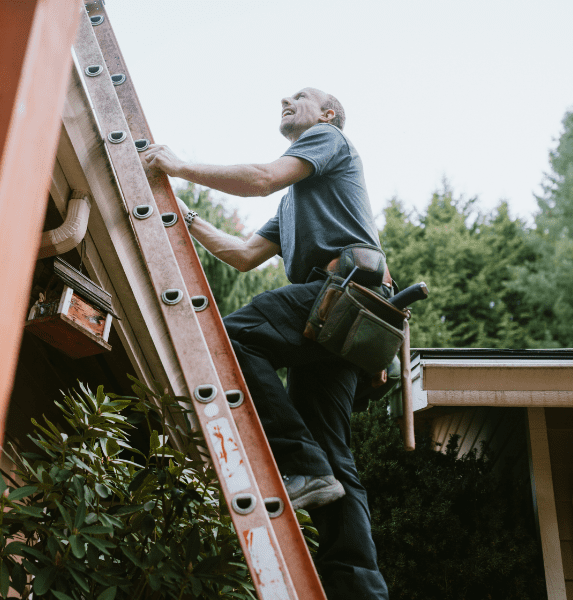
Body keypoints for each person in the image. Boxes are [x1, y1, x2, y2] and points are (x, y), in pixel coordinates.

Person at [143, 87, 390, 600]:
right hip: (336, 322)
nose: (285, 97)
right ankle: (359, 589)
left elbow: (259, 179)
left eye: (300, 95)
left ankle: (299, 463)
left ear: (327, 115)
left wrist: (179, 166)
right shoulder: (296, 200)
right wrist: (181, 214)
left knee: (233, 336)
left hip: (344, 299)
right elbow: (241, 253)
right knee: (335, 459)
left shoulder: (329, 140)